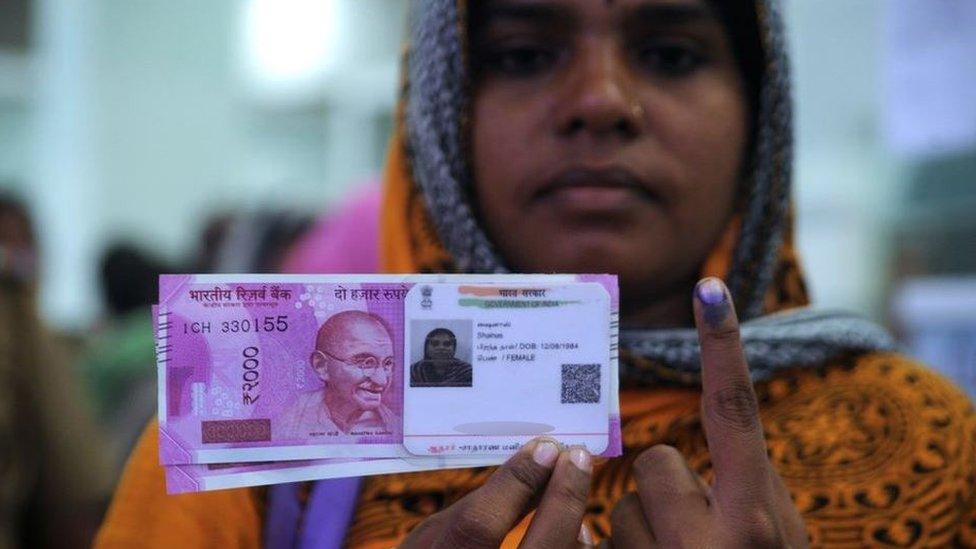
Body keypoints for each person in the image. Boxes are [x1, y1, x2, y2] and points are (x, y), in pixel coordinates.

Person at [96, 0, 976, 547]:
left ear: (761, 116)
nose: (601, 101)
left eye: (671, 52)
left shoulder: (934, 445)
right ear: (440, 114)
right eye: (523, 53)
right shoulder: (250, 437)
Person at [279, 310, 398, 437]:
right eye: (365, 362)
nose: (382, 380)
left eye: (388, 363)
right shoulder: (289, 423)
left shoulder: (397, 429)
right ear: (321, 366)